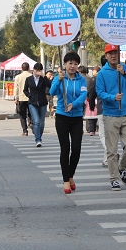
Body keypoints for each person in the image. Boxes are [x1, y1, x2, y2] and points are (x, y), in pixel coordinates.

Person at [96, 43, 126, 191]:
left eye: (116, 52)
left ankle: (122, 168)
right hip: (110, 115)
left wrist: (124, 74)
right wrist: (112, 97)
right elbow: (99, 93)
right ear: (106, 56)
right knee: (112, 150)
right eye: (110, 53)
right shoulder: (102, 73)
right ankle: (114, 178)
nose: (114, 55)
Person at [49, 52, 88, 194]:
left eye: (75, 64)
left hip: (76, 117)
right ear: (64, 64)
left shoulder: (81, 80)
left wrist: (73, 104)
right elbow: (52, 92)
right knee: (65, 149)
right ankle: (66, 180)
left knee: (76, 149)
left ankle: (71, 175)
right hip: (62, 117)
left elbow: (83, 95)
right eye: (70, 63)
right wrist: (57, 80)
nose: (72, 66)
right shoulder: (59, 78)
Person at [23, 63, 51, 147]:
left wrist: (44, 76)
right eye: (36, 70)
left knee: (41, 123)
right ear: (33, 70)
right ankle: (37, 139)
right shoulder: (29, 79)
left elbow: (49, 85)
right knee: (36, 121)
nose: (37, 72)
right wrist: (29, 95)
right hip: (32, 102)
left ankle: (39, 136)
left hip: (42, 102)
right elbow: (25, 90)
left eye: (39, 70)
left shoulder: (43, 79)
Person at [14, 62, 32, 136]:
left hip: (21, 98)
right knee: (31, 113)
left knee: (22, 115)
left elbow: (16, 88)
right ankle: (31, 123)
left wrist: (16, 97)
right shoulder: (31, 76)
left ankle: (25, 130)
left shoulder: (18, 77)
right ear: (28, 68)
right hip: (30, 98)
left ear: (22, 68)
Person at [79, 65, 96, 136]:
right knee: (88, 113)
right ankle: (89, 128)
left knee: (80, 113)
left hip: (80, 97)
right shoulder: (90, 78)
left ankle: (80, 129)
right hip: (89, 97)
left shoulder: (79, 78)